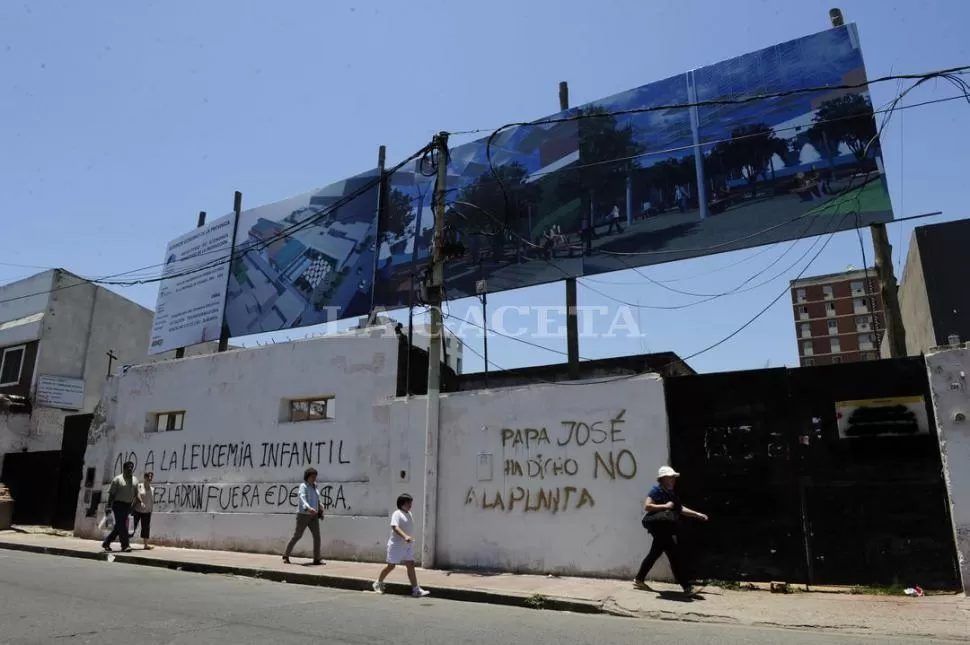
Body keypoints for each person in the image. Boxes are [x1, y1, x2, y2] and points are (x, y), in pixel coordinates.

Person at [634, 466, 708, 595]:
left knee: (654, 554)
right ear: (662, 478)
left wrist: (697, 514)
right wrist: (665, 506)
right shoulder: (656, 490)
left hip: (664, 530)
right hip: (660, 528)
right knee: (674, 556)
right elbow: (647, 506)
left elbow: (679, 509)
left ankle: (639, 579)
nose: (673, 479)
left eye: (674, 477)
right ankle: (687, 587)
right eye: (670, 477)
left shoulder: (671, 492)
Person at [372, 493, 430, 597]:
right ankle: (378, 583)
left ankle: (416, 589)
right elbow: (395, 527)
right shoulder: (397, 513)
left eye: (411, 503)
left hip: (407, 545)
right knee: (391, 566)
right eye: (408, 502)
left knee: (410, 564)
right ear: (402, 503)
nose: (410, 505)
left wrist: (408, 538)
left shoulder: (409, 513)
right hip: (396, 545)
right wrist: (405, 536)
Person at [282, 467, 325, 565]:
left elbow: (316, 498)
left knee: (317, 536)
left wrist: (320, 506)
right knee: (297, 535)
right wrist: (308, 507)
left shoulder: (315, 486)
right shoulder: (303, 486)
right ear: (307, 477)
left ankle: (317, 559)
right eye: (312, 477)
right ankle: (286, 555)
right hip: (303, 515)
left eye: (315, 476)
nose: (314, 478)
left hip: (313, 515)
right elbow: (302, 498)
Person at [102, 461, 138, 552]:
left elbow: (136, 495)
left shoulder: (135, 480)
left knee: (119, 526)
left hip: (128, 506)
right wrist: (109, 507)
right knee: (122, 525)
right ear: (124, 468)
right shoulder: (117, 479)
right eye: (128, 467)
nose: (130, 469)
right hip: (118, 505)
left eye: (131, 467)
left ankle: (107, 542)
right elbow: (111, 495)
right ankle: (125, 545)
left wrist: (132, 507)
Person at [130, 471, 154, 550]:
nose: (149, 478)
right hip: (137, 511)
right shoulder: (139, 486)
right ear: (145, 477)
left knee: (146, 528)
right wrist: (141, 502)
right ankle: (126, 543)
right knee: (133, 527)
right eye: (148, 477)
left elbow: (151, 500)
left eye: (151, 477)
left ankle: (146, 545)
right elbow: (136, 496)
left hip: (147, 512)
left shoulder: (152, 489)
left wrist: (150, 509)